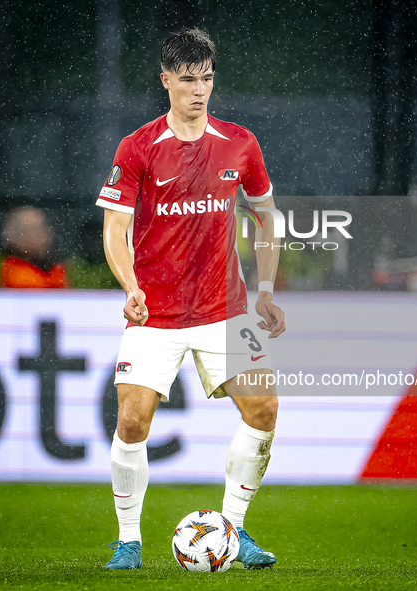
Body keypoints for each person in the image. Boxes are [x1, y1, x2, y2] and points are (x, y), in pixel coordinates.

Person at [96, 28, 286, 570]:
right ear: (165, 81)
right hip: (154, 313)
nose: (198, 90)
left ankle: (236, 529)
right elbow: (115, 229)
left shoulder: (240, 143)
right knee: (132, 421)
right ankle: (128, 541)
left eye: (205, 78)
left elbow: (265, 217)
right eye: (187, 79)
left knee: (265, 408)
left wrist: (267, 290)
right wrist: (131, 286)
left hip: (224, 309)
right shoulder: (138, 148)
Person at [0, 206, 69, 288]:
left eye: (43, 226)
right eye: (34, 229)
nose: (45, 232)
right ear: (16, 238)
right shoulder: (15, 272)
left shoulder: (47, 267)